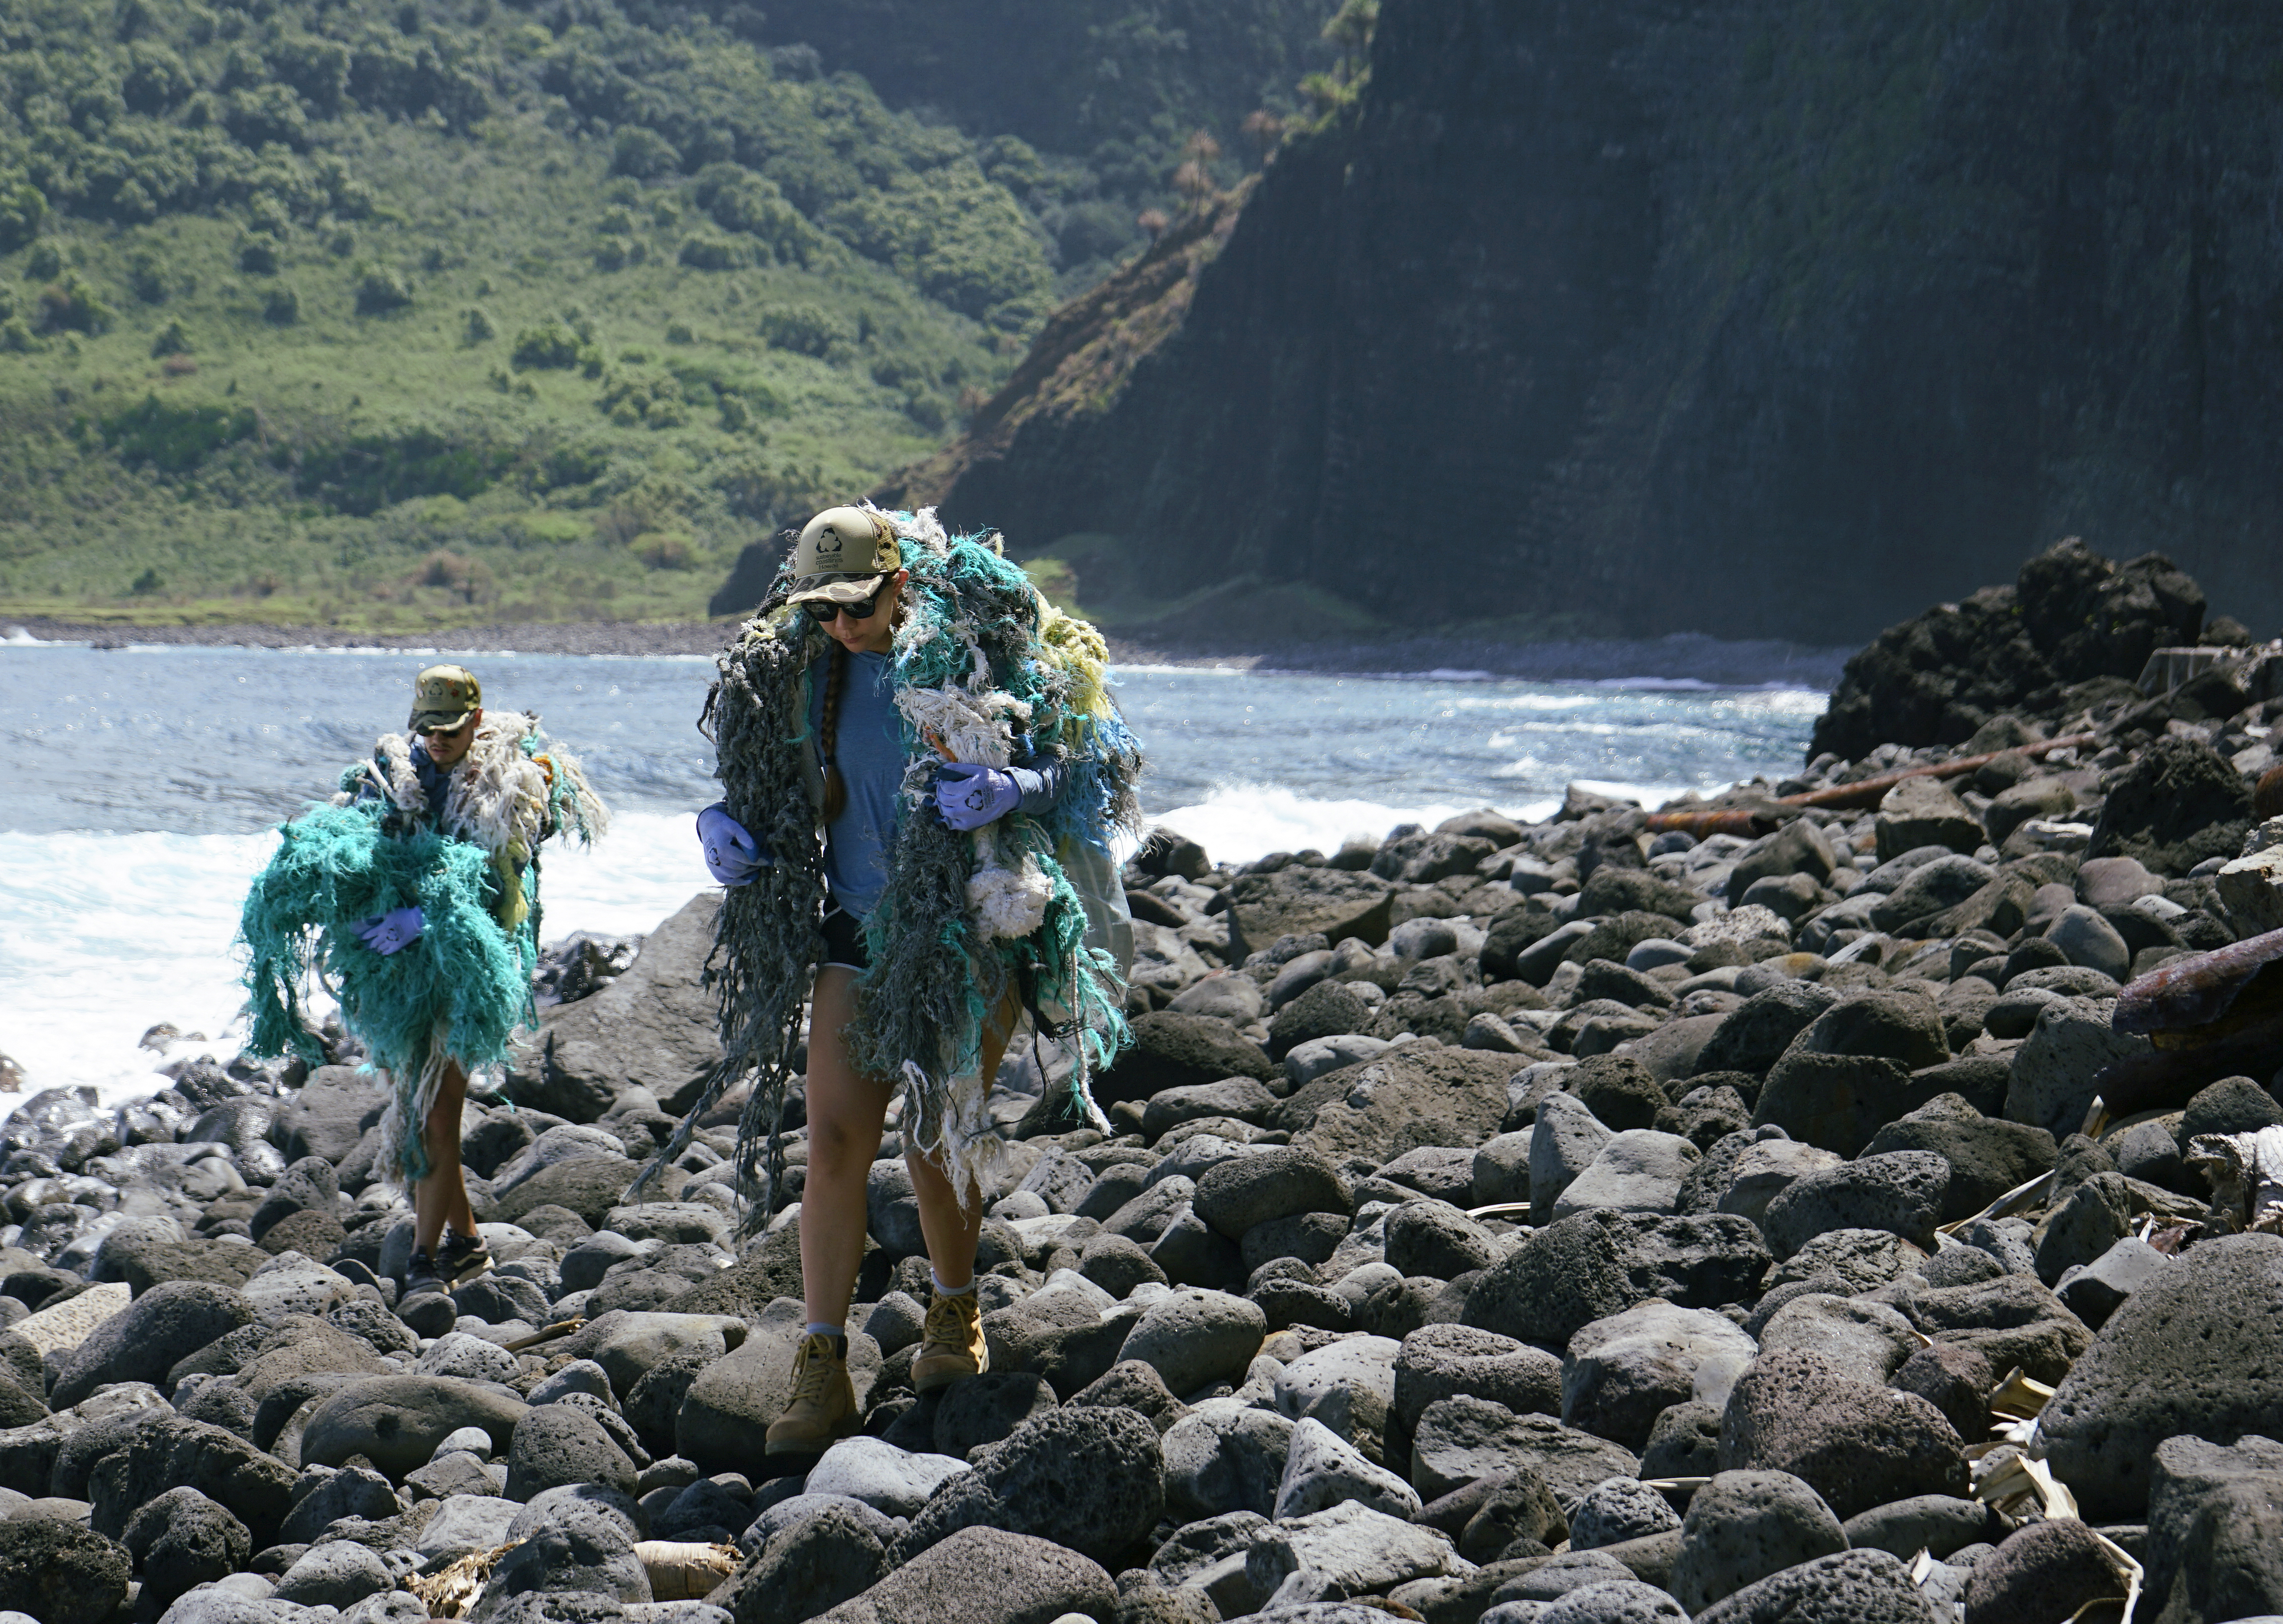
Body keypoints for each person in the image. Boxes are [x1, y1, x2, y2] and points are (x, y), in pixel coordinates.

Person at [651, 503, 1142, 1455]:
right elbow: (775, 786)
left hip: (966, 929)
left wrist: (1015, 790)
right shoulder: (803, 676)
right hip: (853, 928)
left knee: (936, 1130)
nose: (842, 625)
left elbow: (1083, 769)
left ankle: (955, 1311)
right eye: (824, 610)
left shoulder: (978, 655)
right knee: (834, 1139)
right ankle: (823, 1362)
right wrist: (725, 828)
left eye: (858, 606)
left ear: (901, 582)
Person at [240, 664, 609, 1308]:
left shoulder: (507, 787)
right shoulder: (388, 779)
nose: (438, 739)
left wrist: (427, 916)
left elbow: (501, 889)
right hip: (405, 974)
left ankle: (424, 1258)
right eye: (428, 728)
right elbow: (358, 850)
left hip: (471, 971)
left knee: (436, 1115)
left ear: (475, 719)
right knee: (422, 1108)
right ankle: (467, 1240)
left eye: (451, 728)